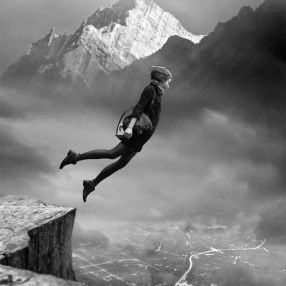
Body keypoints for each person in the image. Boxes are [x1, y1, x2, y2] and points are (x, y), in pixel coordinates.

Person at [59, 66, 172, 202]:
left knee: (120, 163)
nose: (168, 85)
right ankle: (75, 158)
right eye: (168, 81)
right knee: (111, 154)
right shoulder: (150, 90)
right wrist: (129, 128)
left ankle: (91, 183)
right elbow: (138, 109)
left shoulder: (158, 93)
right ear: (161, 79)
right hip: (136, 134)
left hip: (141, 138)